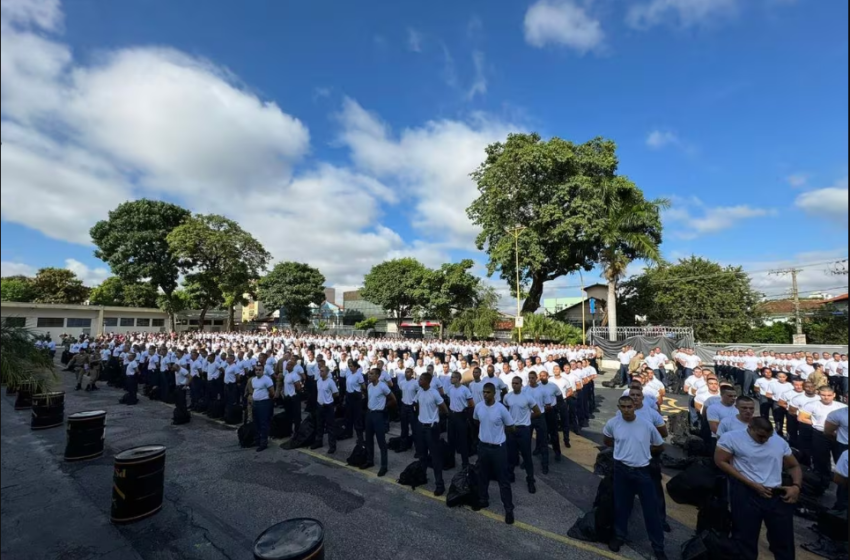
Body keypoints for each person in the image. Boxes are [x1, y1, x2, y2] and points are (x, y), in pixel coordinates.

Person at [715, 417, 802, 560]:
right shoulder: (732, 438)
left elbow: (794, 466)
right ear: (750, 428)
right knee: (745, 540)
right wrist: (751, 484)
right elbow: (720, 461)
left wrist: (796, 486)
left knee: (783, 540)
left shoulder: (778, 441)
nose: (764, 440)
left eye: (768, 437)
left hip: (775, 494)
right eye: (760, 436)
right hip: (746, 493)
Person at [603, 396, 666, 559]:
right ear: (619, 407)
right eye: (622, 407)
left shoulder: (646, 425)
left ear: (634, 407)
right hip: (621, 470)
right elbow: (607, 440)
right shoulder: (613, 423)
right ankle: (619, 536)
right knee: (621, 506)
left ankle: (658, 546)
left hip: (642, 471)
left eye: (629, 406)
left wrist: (644, 451)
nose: (626, 410)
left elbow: (660, 445)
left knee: (651, 510)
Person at [474, 382, 516, 525]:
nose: (485, 395)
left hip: (498, 449)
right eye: (484, 392)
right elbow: (476, 420)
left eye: (488, 392)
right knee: (482, 476)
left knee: (503, 480)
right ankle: (483, 500)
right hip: (483, 447)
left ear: (494, 394)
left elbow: (511, 427)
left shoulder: (501, 409)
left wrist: (498, 436)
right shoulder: (479, 406)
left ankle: (508, 509)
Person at [801, 387, 848, 483]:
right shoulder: (811, 405)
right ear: (819, 394)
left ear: (834, 395)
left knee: (839, 457)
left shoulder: (841, 406)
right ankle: (823, 480)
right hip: (820, 434)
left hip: (835, 435)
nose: (826, 397)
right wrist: (815, 423)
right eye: (823, 395)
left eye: (829, 395)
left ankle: (840, 476)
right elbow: (801, 418)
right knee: (821, 458)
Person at [504, 376, 541, 494]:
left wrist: (526, 419)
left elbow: (537, 412)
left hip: (524, 430)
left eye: (517, 383)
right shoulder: (507, 397)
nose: (514, 385)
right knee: (511, 455)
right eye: (513, 383)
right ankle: (510, 475)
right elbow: (505, 411)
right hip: (511, 430)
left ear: (521, 384)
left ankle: (530, 480)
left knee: (527, 456)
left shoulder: (527, 397)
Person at [415, 372, 448, 496]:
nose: (419, 380)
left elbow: (444, 408)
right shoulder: (419, 392)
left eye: (421, 379)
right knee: (422, 455)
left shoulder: (434, 393)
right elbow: (418, 405)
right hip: (421, 426)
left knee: (435, 457)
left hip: (431, 428)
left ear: (427, 381)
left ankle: (440, 485)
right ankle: (422, 477)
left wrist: (435, 419)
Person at [364, 369, 395, 477]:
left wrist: (384, 407)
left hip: (378, 415)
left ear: (377, 375)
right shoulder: (369, 386)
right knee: (368, 439)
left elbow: (393, 399)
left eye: (371, 374)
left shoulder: (382, 386)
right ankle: (369, 460)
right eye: (369, 374)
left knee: (381, 441)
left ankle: (384, 466)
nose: (369, 375)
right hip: (369, 414)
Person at [447, 372, 474, 468]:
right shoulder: (450, 389)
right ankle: (450, 462)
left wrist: (465, 414)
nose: (451, 379)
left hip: (461, 416)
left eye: (453, 377)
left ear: (458, 378)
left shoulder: (465, 390)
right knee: (451, 439)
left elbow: (471, 403)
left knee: (463, 441)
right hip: (452, 416)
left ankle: (465, 463)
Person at [251, 362, 275, 452]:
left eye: (260, 370)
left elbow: (272, 391)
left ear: (263, 371)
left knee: (263, 423)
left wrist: (268, 400)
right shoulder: (253, 380)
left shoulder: (267, 379)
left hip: (264, 403)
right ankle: (257, 440)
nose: (258, 371)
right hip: (256, 403)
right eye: (256, 370)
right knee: (256, 422)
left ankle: (263, 443)